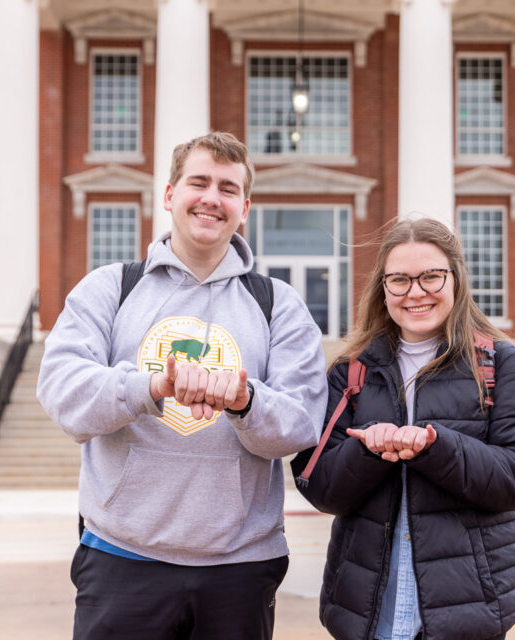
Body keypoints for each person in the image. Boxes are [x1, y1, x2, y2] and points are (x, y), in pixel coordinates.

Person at [38, 131, 327, 640]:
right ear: (170, 194)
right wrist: (151, 387)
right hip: (121, 557)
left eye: (228, 189)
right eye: (199, 183)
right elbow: (62, 391)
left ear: (244, 208)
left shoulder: (278, 304)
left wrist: (246, 402)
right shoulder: (111, 288)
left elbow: (302, 423)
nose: (212, 198)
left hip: (239, 567)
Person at [291, 218, 515, 640]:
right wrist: (368, 451)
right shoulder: (351, 372)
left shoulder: (504, 365)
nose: (415, 292)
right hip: (368, 609)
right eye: (399, 280)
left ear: (456, 279)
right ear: (383, 289)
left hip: (468, 611)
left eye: (431, 276)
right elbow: (316, 483)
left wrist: (436, 447)